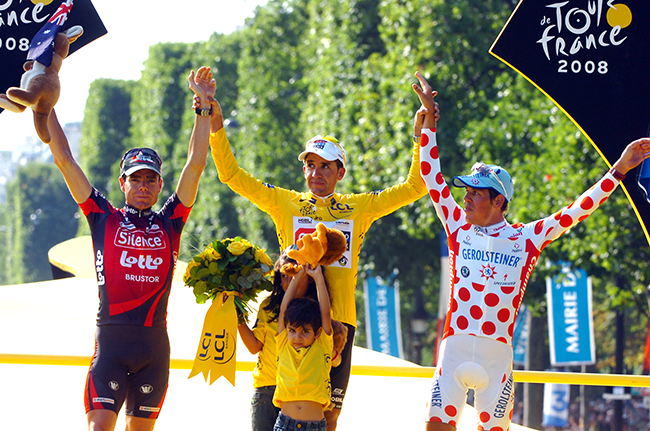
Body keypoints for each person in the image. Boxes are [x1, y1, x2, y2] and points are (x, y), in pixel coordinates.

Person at [411, 70, 650, 431]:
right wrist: (428, 123)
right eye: (467, 191)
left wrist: (618, 169)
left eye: (476, 192)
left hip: (498, 361)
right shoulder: (458, 224)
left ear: (499, 200)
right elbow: (432, 177)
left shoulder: (527, 238)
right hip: (454, 350)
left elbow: (575, 211)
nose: (466, 196)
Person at [196, 83, 439, 430]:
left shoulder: (359, 207)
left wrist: (423, 133)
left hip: (338, 322)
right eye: (310, 165)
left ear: (340, 172)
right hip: (293, 322)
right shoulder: (286, 202)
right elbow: (231, 176)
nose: (316, 173)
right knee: (286, 410)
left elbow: (416, 186)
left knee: (329, 418)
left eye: (326, 166)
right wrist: (216, 126)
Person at [47, 66, 216, 431]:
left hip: (154, 350)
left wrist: (203, 109)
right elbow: (64, 158)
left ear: (159, 186)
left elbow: (197, 164)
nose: (143, 185)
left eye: (150, 179)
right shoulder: (102, 216)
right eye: (135, 178)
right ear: (122, 183)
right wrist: (45, 108)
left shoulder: (171, 220)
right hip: (111, 346)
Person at [238, 248, 321, 431]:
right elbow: (254, 347)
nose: (290, 281)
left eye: (296, 274)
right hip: (267, 388)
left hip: (302, 395)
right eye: (284, 275)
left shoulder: (318, 309)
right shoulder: (268, 306)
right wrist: (237, 317)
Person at [273, 263, 332, 431]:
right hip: (285, 424)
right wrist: (297, 277)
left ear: (318, 333)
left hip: (314, 426)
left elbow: (325, 313)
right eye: (292, 330)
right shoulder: (284, 342)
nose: (297, 337)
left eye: (305, 331)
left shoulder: (322, 346)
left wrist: (318, 277)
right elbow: (284, 311)